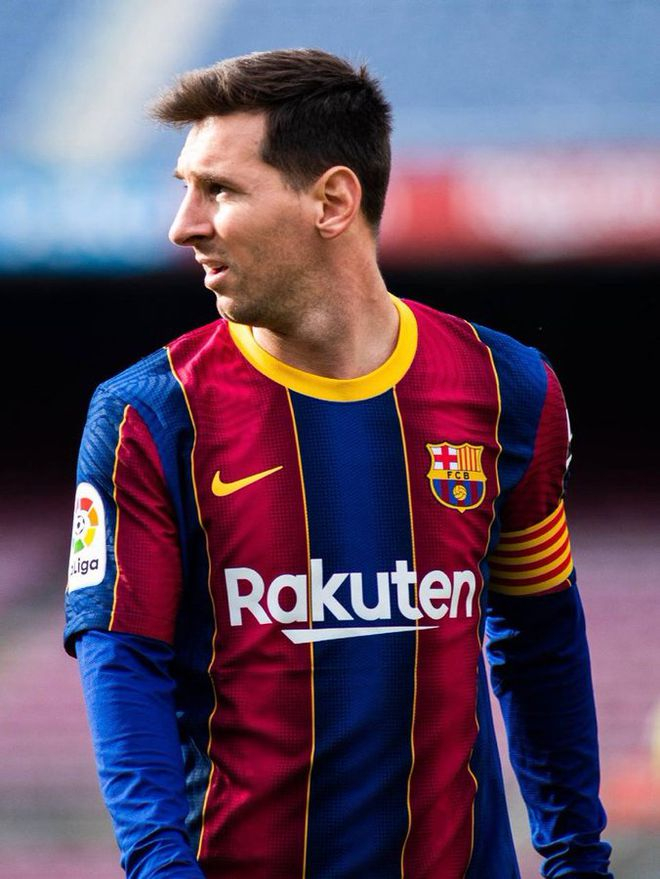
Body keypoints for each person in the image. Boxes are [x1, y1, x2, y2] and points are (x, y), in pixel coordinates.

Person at [64, 48, 613, 879]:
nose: (184, 224)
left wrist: (578, 860)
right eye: (186, 187)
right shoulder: (147, 413)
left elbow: (540, 638)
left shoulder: (509, 389)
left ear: (331, 201)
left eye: (219, 189)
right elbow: (122, 665)